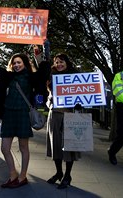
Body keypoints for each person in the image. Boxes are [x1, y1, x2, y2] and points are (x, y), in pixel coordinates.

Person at [0, 41, 39, 188]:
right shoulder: (8, 76)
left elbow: (43, 70)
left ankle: (23, 176)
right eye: (14, 63)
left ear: (25, 63)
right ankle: (13, 174)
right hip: (9, 114)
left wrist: (42, 51)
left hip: (23, 114)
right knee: (5, 148)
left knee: (24, 147)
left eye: (19, 62)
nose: (17, 65)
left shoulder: (31, 76)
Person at [46, 53, 81, 189]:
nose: (59, 64)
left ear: (67, 63)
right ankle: (59, 172)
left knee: (69, 147)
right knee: (56, 146)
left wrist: (79, 103)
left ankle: (67, 175)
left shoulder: (76, 77)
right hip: (54, 114)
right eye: (57, 62)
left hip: (69, 115)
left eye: (62, 62)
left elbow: (83, 95)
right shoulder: (51, 76)